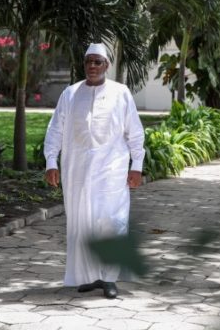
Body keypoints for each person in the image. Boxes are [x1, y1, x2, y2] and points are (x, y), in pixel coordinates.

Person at [43, 42, 145, 299]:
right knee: (83, 224)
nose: (92, 66)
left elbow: (134, 133)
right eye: (89, 61)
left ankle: (109, 278)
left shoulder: (121, 93)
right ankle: (90, 277)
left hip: (112, 170)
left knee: (111, 223)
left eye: (97, 61)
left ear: (107, 66)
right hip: (77, 171)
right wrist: (51, 162)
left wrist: (137, 166)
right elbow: (55, 130)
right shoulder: (70, 94)